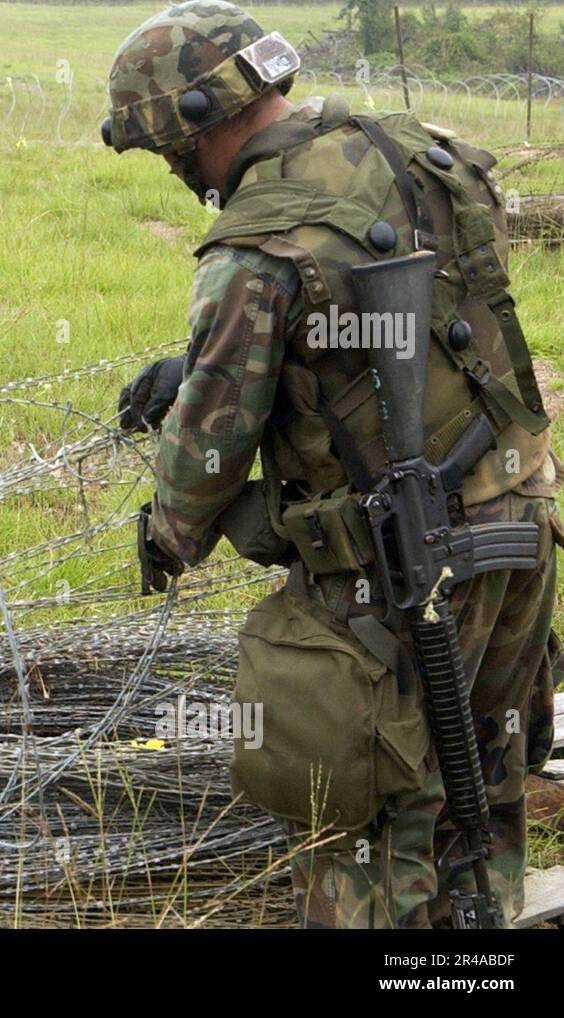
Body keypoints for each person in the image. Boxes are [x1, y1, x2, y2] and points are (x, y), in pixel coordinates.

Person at [105, 1, 559, 928]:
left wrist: (166, 535)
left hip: (403, 572)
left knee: (377, 828)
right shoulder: (424, 150)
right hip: (522, 523)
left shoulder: (257, 242)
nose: (177, 171)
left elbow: (203, 464)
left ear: (199, 123)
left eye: (169, 150)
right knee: (488, 801)